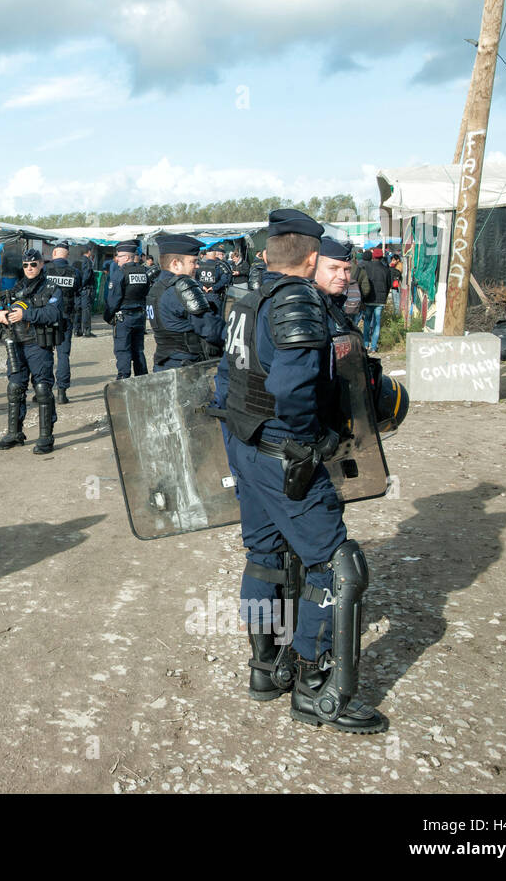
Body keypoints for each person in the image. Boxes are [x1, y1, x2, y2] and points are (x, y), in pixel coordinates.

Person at [213, 209, 386, 734]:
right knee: (337, 567)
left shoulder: (249, 299)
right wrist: (310, 443)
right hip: (281, 453)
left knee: (265, 557)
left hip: (247, 445)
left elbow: (226, 380)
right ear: (311, 255)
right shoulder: (296, 300)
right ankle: (317, 688)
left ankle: (267, 667)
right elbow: (292, 390)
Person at [0, 248, 63, 454]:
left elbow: (53, 313)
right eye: (26, 265)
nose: (30, 268)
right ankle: (15, 433)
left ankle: (45, 437)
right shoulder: (16, 287)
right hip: (16, 343)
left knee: (42, 389)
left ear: (41, 264)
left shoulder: (50, 287)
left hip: (38, 344)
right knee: (15, 387)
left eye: (34, 264)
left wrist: (26, 315)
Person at [147, 235, 226, 371]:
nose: (197, 265)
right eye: (193, 261)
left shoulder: (157, 287)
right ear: (175, 264)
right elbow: (212, 330)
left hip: (164, 363)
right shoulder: (181, 289)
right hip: (186, 368)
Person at [103, 241, 150, 379]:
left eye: (120, 256)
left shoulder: (120, 274)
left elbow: (113, 300)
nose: (117, 259)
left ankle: (123, 381)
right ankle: (143, 380)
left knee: (123, 351)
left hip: (124, 318)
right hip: (140, 317)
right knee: (138, 351)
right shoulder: (144, 272)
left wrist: (108, 317)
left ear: (128, 258)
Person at [45, 241, 80, 404]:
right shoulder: (75, 272)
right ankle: (61, 392)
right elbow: (78, 291)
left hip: (46, 318)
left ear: (54, 253)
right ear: (67, 255)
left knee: (44, 353)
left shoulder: (45, 270)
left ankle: (43, 390)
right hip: (66, 317)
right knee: (63, 354)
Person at [360, 248, 392, 353]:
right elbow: (388, 286)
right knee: (377, 323)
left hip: (369, 298)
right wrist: (385, 297)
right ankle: (374, 347)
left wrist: (363, 297)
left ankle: (365, 344)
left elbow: (364, 283)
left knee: (367, 322)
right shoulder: (386, 269)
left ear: (373, 257)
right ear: (382, 257)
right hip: (380, 301)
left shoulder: (367, 267)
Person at [75, 246, 98, 338]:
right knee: (86, 310)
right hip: (85, 289)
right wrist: (82, 285)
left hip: (77, 290)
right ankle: (86, 331)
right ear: (89, 252)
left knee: (77, 310)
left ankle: (77, 330)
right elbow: (87, 275)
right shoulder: (88, 261)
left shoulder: (77, 261)